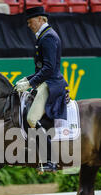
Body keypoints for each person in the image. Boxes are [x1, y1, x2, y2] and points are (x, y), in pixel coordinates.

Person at [15, 6, 68, 173]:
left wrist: (30, 84)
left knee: (31, 118)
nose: (29, 25)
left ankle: (50, 160)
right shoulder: (44, 36)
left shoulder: (48, 38)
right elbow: (41, 70)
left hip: (51, 83)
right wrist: (27, 79)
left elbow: (49, 69)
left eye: (31, 22)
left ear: (40, 19)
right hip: (45, 80)